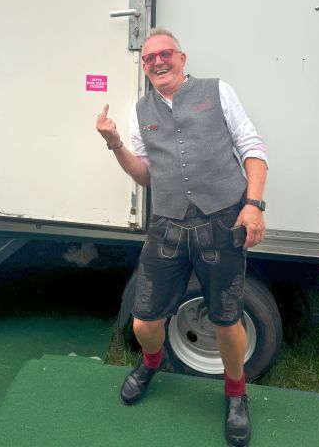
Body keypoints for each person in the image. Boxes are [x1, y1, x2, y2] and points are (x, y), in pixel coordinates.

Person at [96, 27, 267, 447]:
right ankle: (151, 362)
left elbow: (252, 148)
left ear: (181, 57)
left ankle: (236, 394)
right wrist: (116, 144)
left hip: (222, 222)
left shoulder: (218, 91)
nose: (157, 61)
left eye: (165, 54)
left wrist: (253, 205)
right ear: (144, 66)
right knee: (144, 320)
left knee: (226, 319)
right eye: (149, 57)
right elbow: (145, 175)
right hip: (167, 226)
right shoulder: (141, 110)